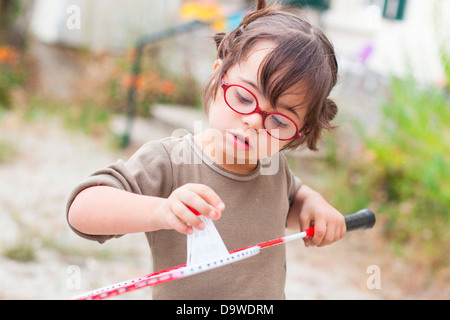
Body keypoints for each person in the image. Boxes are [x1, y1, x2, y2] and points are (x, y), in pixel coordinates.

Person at [66, 0, 346, 300]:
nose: (253, 122)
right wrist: (160, 211)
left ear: (300, 132)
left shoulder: (273, 167)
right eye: (242, 97)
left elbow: (291, 202)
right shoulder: (170, 162)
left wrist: (313, 204)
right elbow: (82, 210)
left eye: (279, 120)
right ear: (217, 75)